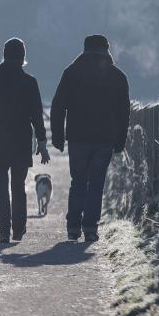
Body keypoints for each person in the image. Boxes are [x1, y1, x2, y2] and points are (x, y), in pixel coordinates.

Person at [50, 34, 130, 242]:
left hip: (78, 138)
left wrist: (58, 136)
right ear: (107, 50)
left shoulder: (71, 73)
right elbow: (123, 112)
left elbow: (58, 106)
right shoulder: (118, 76)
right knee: (96, 183)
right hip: (105, 139)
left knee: (78, 182)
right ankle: (90, 228)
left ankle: (73, 228)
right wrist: (120, 140)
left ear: (84, 49)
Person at [0, 38, 50, 244]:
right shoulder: (29, 82)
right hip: (20, 139)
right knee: (18, 185)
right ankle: (18, 229)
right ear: (23, 57)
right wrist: (42, 143)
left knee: (0, 185)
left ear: (4, 55)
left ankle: (3, 231)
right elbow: (37, 115)